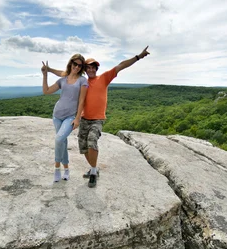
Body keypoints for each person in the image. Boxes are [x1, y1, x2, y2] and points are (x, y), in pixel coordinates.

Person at [45, 46, 150, 187]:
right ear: (85, 70)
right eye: (88, 67)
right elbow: (64, 73)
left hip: (97, 119)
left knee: (92, 141)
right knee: (83, 147)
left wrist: (138, 56)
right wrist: (49, 70)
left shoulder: (104, 78)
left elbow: (121, 66)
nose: (91, 70)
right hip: (84, 118)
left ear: (96, 69)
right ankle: (93, 168)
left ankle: (93, 172)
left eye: (94, 67)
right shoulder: (82, 81)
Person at [41, 54, 89, 183]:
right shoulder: (63, 79)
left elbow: (82, 101)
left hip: (70, 116)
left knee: (59, 139)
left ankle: (57, 168)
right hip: (57, 115)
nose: (77, 67)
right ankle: (66, 169)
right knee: (62, 142)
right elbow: (46, 91)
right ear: (71, 63)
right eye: (75, 64)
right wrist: (46, 74)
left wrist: (78, 118)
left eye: (80, 65)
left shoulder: (82, 80)